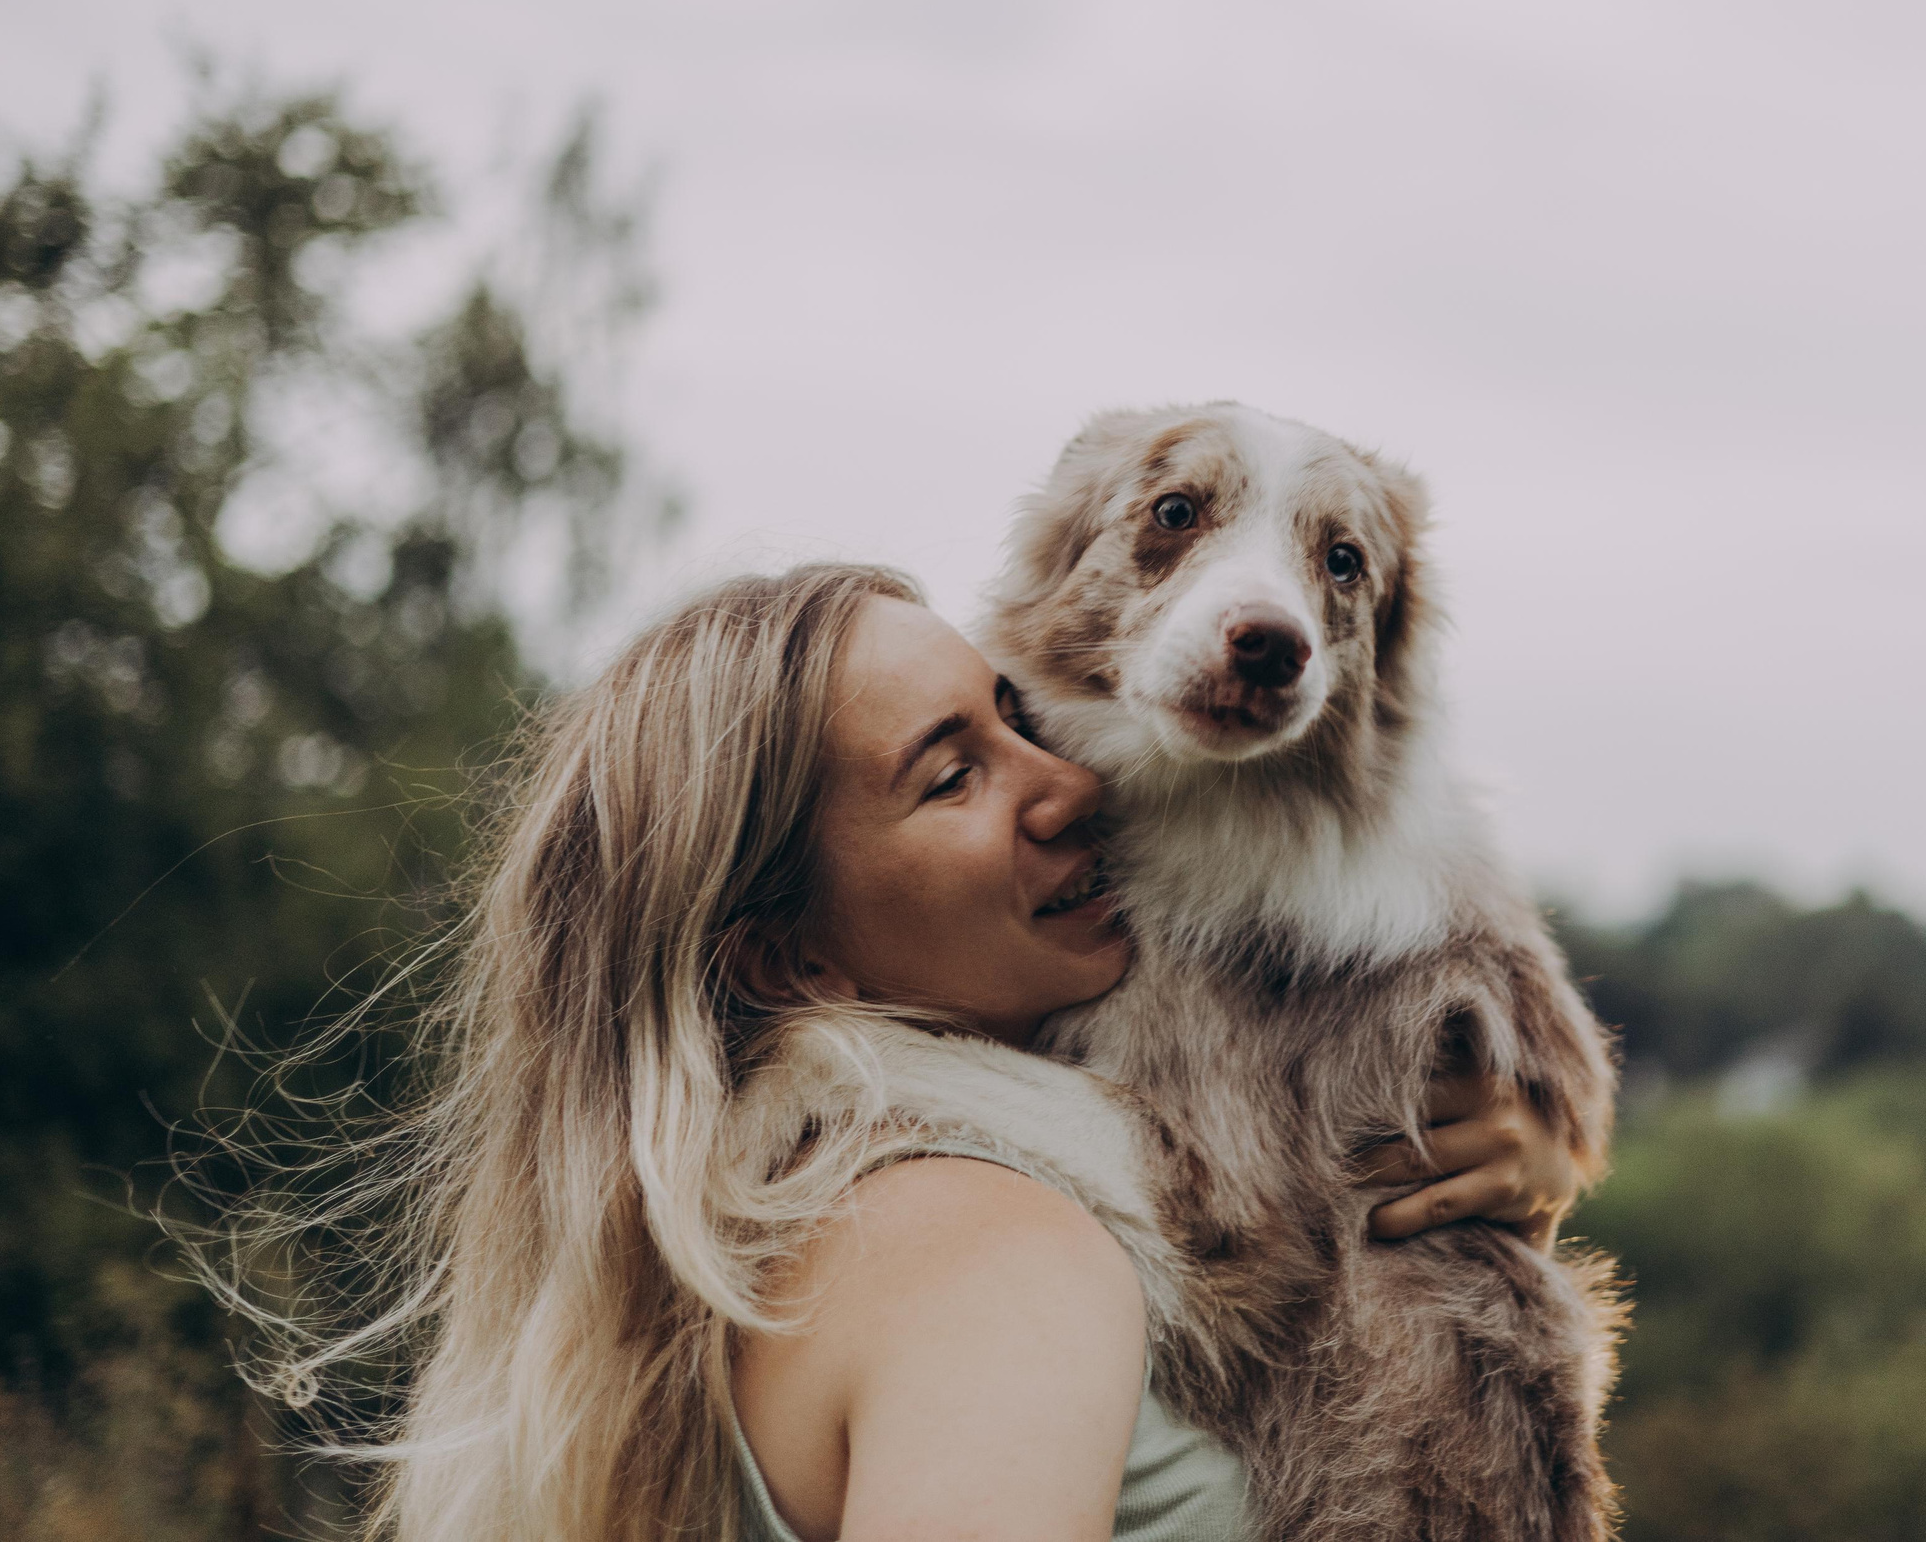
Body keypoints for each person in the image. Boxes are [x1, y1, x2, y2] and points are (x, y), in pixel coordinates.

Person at [209, 563, 1584, 1542]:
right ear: (792, 959)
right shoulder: (991, 1248)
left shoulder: (737, 1237)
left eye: (1016, 719)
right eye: (952, 774)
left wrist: (1442, 1194)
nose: (1071, 784)